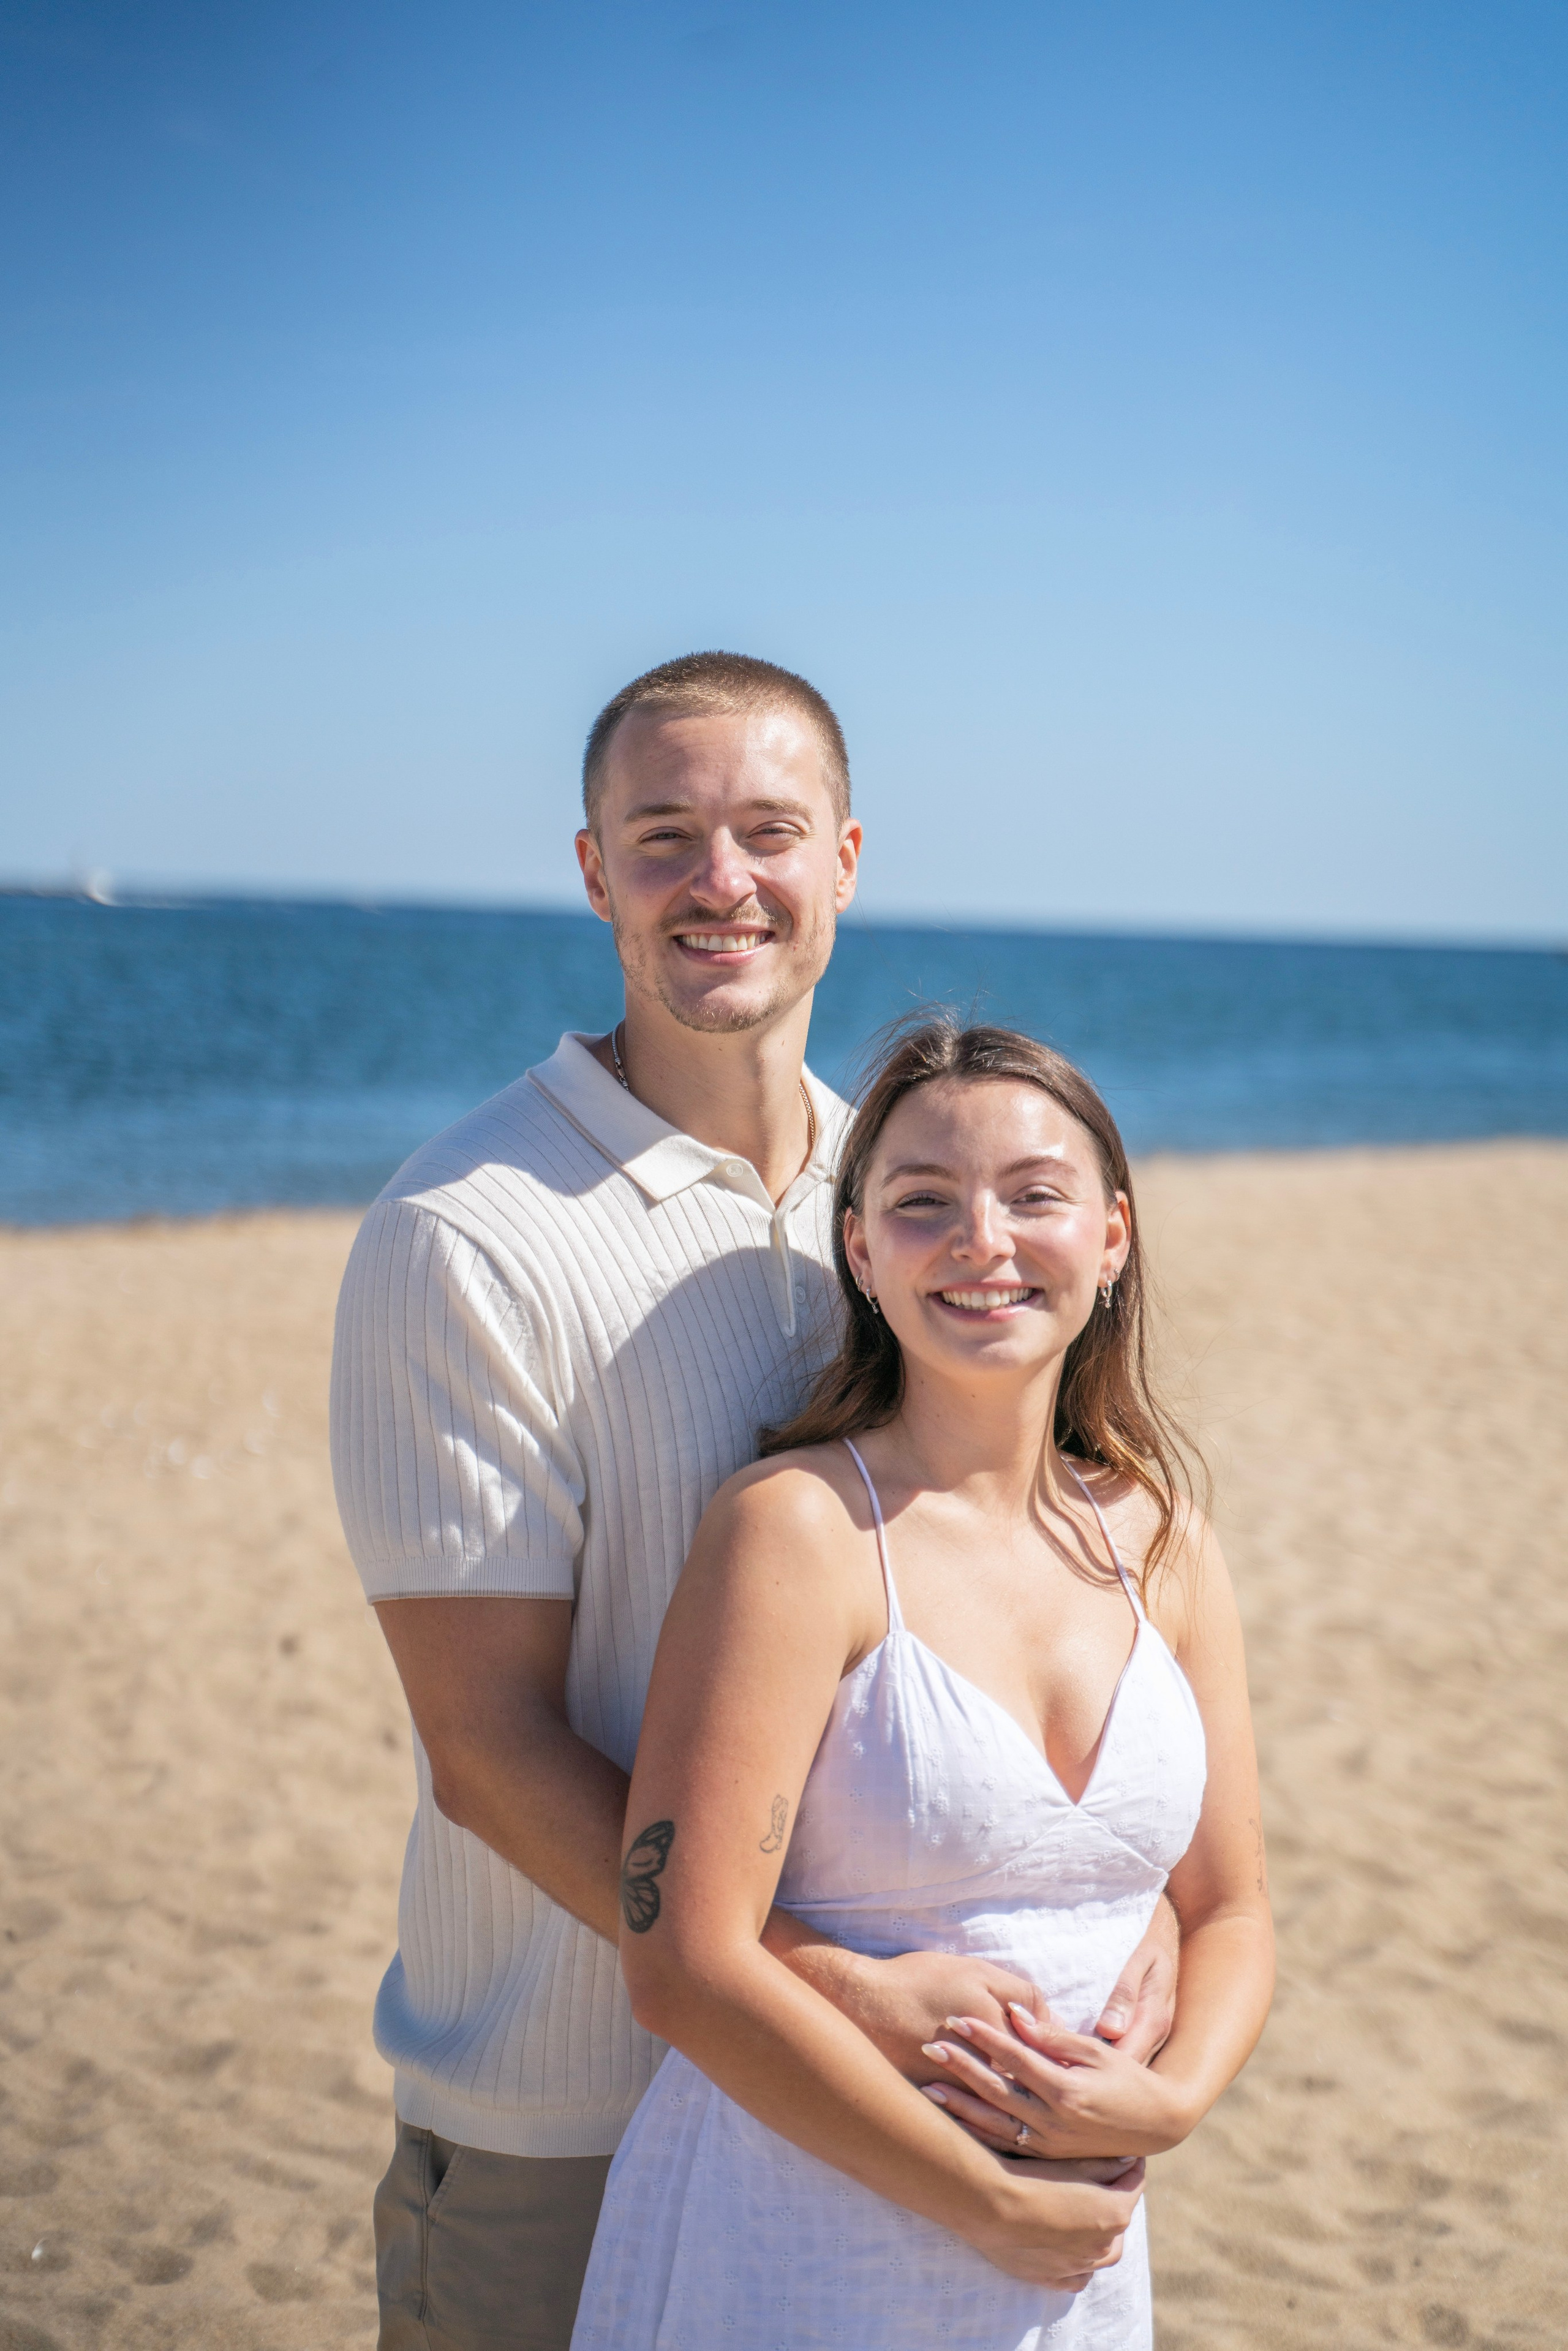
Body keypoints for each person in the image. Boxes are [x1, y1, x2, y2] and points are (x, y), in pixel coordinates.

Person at [330, 653, 1180, 2351]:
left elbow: (1028, 1581)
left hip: (877, 2132)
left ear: (846, 861)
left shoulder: (916, 1195)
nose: (722, 880)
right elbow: (487, 1745)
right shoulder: (471, 1234)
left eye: (768, 830)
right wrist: (829, 1983)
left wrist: (1126, 1884)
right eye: (665, 835)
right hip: (566, 2111)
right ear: (594, 872)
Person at [572, 1019, 1275, 2350]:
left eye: (1032, 1194)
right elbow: (681, 1964)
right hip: (801, 2249)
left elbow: (1229, 1904)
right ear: (859, 1251)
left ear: (1111, 1236)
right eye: (920, 1203)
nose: (981, 1240)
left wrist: (1170, 2100)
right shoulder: (794, 1530)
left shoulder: (1163, 1540)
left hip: (1069, 2269)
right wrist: (980, 2202)